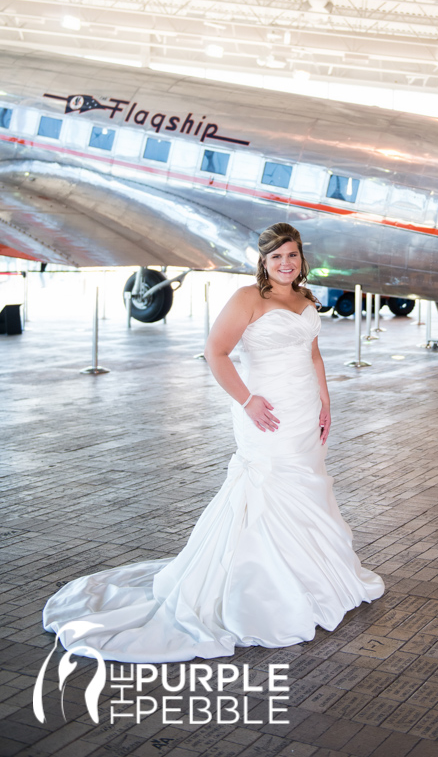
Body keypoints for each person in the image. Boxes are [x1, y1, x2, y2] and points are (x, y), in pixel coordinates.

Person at [43, 223, 384, 662]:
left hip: (303, 414)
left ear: (302, 259)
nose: (286, 263)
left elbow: (313, 354)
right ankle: (262, 591)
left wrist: (325, 400)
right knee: (269, 490)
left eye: (293, 255)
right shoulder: (247, 299)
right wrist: (247, 401)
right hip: (265, 412)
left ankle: (310, 577)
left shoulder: (306, 299)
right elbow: (215, 352)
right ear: (263, 261)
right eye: (277, 256)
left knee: (307, 485)